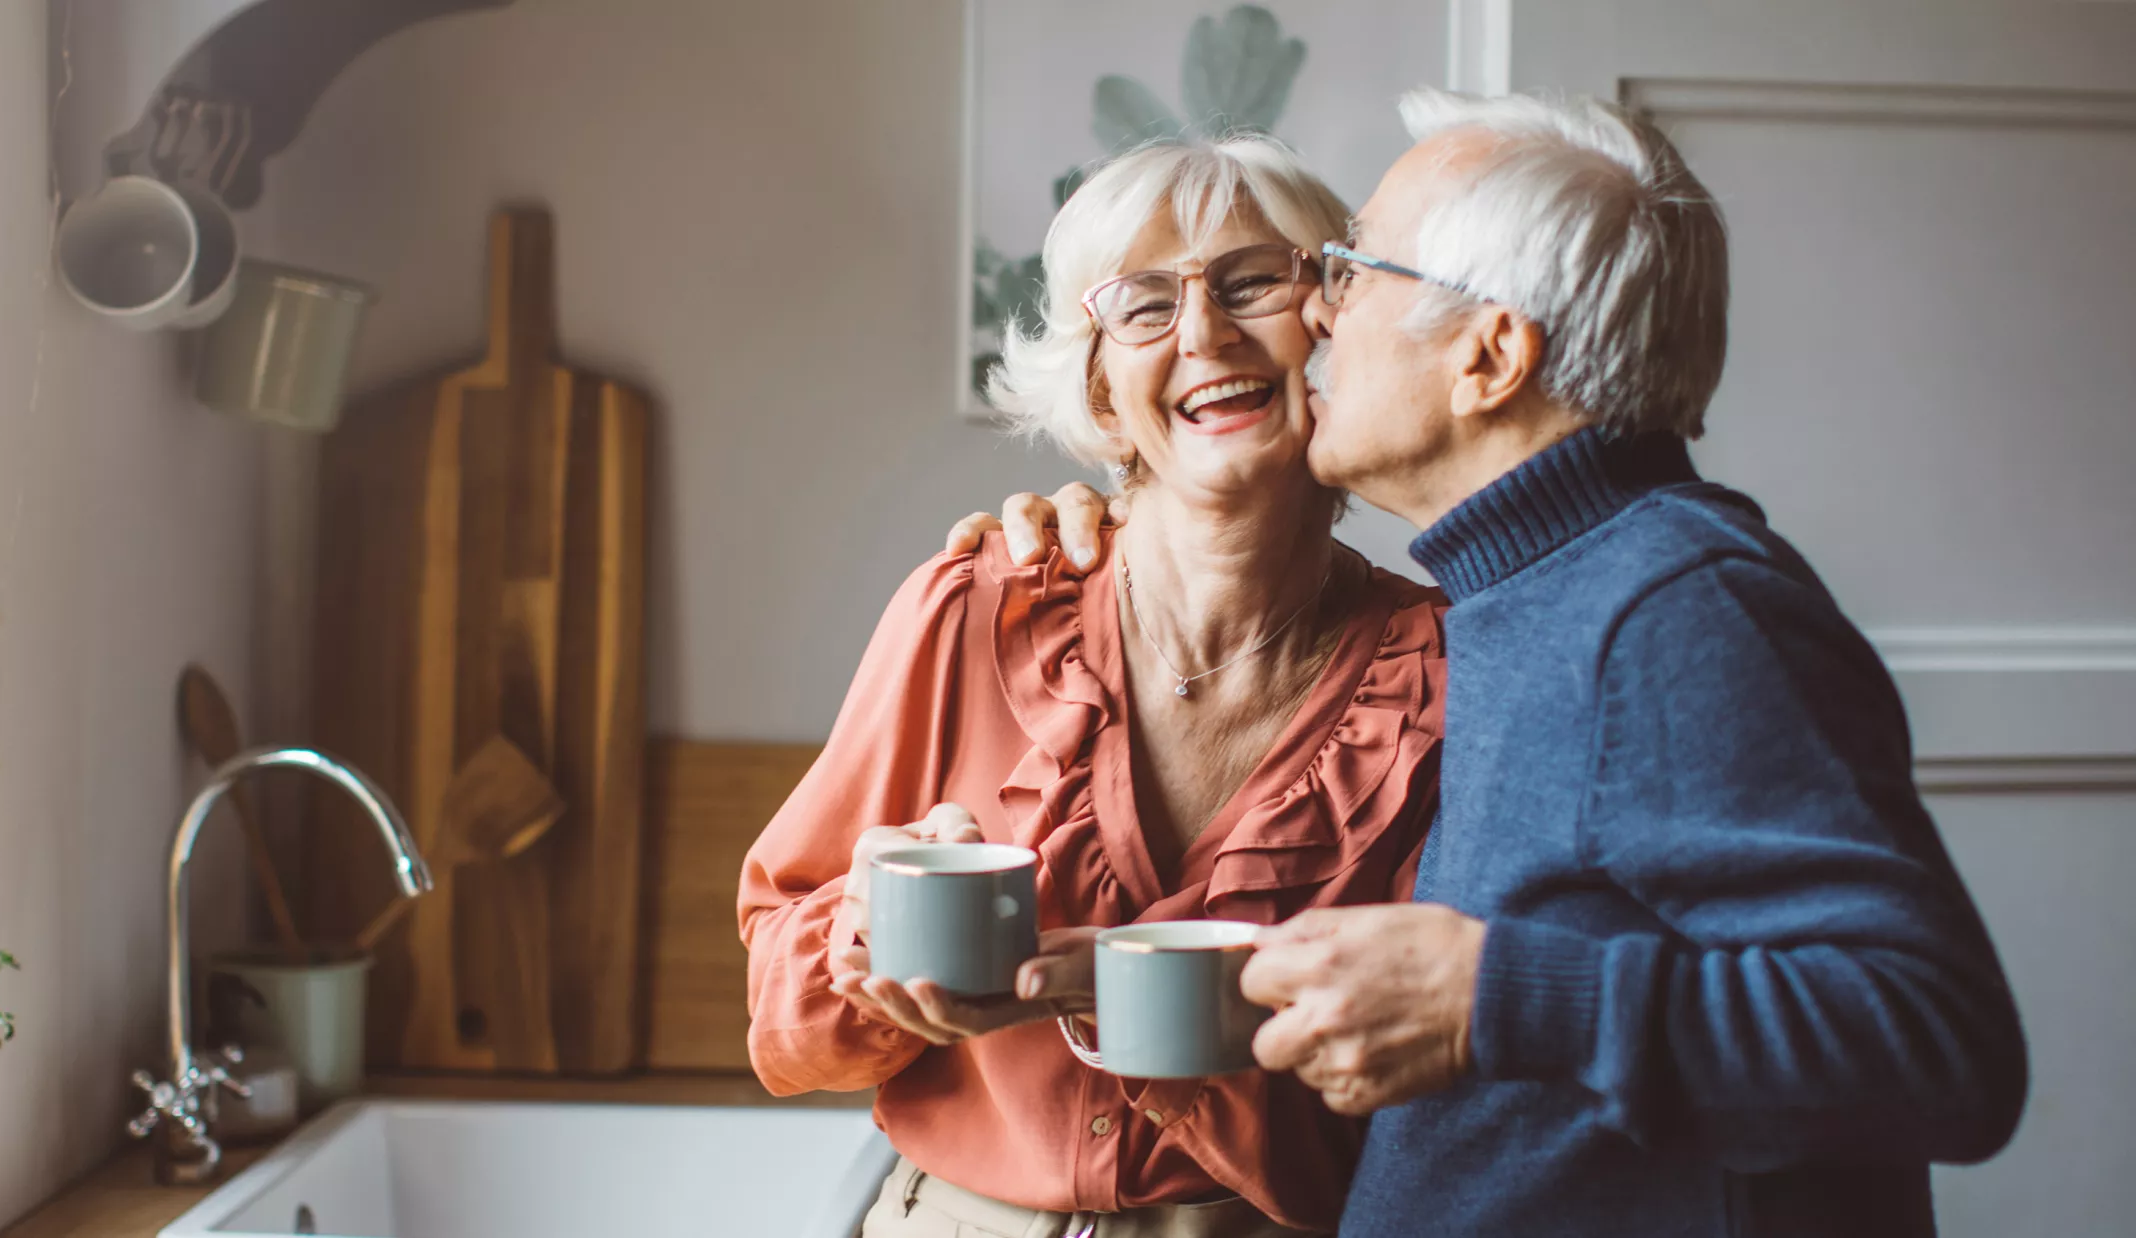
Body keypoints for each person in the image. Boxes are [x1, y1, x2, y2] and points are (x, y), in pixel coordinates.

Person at [954, 89, 2027, 1238]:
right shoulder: (1528, 594)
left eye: (1353, 272)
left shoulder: (1674, 610)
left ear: (1489, 354)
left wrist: (1487, 997)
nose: (1314, 313)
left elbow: (1939, 1046)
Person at [739, 133, 1449, 1237]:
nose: (1206, 333)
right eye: (1145, 307)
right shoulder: (971, 604)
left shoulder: (1446, 674)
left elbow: (1443, 1096)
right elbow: (781, 1010)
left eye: (1253, 280)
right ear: (1103, 393)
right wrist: (860, 938)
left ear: (1332, 332)